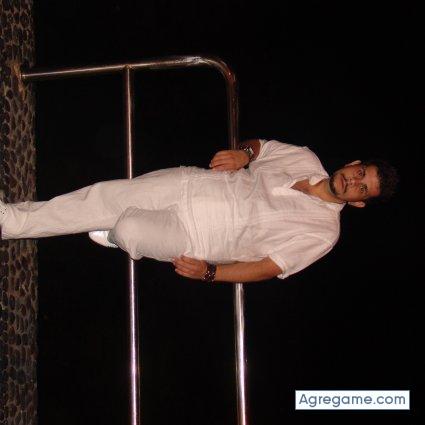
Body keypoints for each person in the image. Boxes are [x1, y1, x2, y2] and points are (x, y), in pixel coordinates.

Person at [0, 139, 398, 283]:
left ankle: (118, 236)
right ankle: (10, 222)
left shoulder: (323, 233)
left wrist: (210, 272)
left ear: (359, 202)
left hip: (196, 237)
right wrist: (245, 154)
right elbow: (262, 147)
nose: (354, 181)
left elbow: (268, 267)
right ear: (353, 163)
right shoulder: (306, 158)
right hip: (193, 185)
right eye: (360, 173)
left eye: (362, 188)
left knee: (131, 228)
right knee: (100, 197)